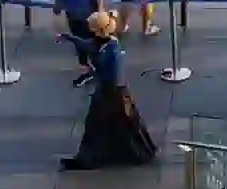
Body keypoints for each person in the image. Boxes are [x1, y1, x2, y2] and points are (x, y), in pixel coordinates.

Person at [59, 12, 158, 170]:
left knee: (102, 124)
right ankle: (140, 152)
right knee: (125, 123)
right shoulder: (101, 43)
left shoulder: (112, 49)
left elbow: (114, 73)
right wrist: (69, 38)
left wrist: (99, 78)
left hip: (112, 91)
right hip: (111, 90)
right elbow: (86, 44)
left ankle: (88, 159)